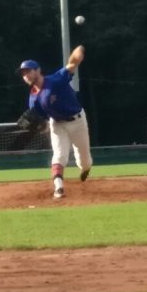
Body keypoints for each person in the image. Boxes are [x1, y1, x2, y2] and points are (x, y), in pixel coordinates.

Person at [17, 45, 93, 200]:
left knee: (84, 162)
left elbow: (72, 64)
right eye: (23, 74)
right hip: (57, 124)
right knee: (59, 155)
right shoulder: (33, 98)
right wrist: (42, 127)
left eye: (28, 71)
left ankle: (85, 169)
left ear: (38, 70)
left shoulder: (55, 80)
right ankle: (59, 188)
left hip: (77, 121)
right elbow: (42, 120)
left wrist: (79, 50)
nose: (26, 75)